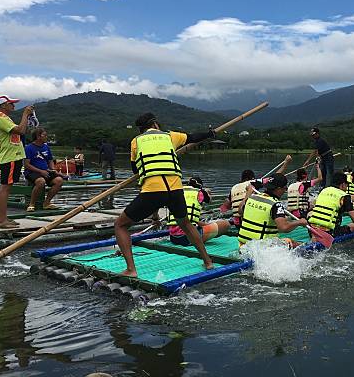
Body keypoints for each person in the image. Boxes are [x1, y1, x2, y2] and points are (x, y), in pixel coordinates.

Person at [114, 112, 216, 276]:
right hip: (175, 190)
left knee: (120, 225)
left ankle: (131, 269)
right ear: (155, 124)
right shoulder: (170, 136)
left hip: (153, 191)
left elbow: (136, 170)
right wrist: (209, 134)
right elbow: (193, 137)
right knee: (186, 225)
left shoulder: (136, 141)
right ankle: (208, 262)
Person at [0, 96, 34, 228]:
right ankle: (1, 220)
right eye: (11, 104)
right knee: (5, 187)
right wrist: (25, 114)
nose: (13, 106)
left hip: (13, 157)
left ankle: (4, 218)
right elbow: (21, 130)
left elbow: (21, 130)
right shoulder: (0, 119)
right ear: (4, 105)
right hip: (9, 157)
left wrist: (26, 118)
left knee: (7, 187)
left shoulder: (5, 119)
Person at [237, 173, 308, 247]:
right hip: (261, 249)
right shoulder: (276, 204)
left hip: (243, 246)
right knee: (291, 243)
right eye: (285, 188)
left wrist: (248, 194)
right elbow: (284, 227)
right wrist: (300, 222)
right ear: (279, 189)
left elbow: (240, 211)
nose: (285, 191)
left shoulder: (252, 197)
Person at [221, 155, 293, 226]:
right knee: (285, 218)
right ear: (252, 178)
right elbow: (275, 179)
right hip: (248, 221)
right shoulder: (253, 182)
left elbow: (226, 206)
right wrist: (286, 163)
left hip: (236, 222)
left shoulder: (234, 187)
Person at [308, 172, 354, 241]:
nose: (347, 187)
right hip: (328, 232)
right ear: (343, 185)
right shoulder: (343, 196)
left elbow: (348, 199)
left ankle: (314, 237)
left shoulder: (324, 190)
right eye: (347, 185)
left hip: (312, 229)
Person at [168, 177, 232, 246]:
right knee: (226, 224)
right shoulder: (199, 192)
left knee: (193, 221)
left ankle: (210, 229)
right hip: (188, 238)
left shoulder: (177, 193)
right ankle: (212, 232)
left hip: (173, 237)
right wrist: (206, 192)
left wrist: (207, 225)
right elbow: (209, 200)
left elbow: (188, 220)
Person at [24, 128, 63, 212]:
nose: (46, 137)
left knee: (59, 180)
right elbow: (27, 165)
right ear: (38, 137)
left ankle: (46, 203)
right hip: (32, 172)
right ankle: (32, 204)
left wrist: (53, 169)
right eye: (44, 135)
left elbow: (50, 160)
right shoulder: (28, 148)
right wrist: (41, 171)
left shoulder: (46, 147)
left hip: (46, 171)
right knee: (41, 182)